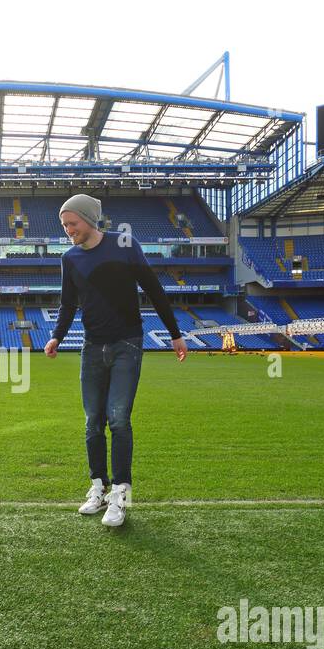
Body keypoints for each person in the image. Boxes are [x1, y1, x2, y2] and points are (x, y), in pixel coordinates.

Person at [44, 193, 187, 527]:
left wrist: (175, 333)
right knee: (93, 421)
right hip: (92, 347)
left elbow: (153, 289)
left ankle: (120, 495)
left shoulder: (124, 244)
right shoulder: (70, 258)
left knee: (118, 418)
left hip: (127, 344)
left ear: (90, 219)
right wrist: (56, 336)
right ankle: (98, 487)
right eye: (64, 225)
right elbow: (68, 304)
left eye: (73, 224)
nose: (68, 231)